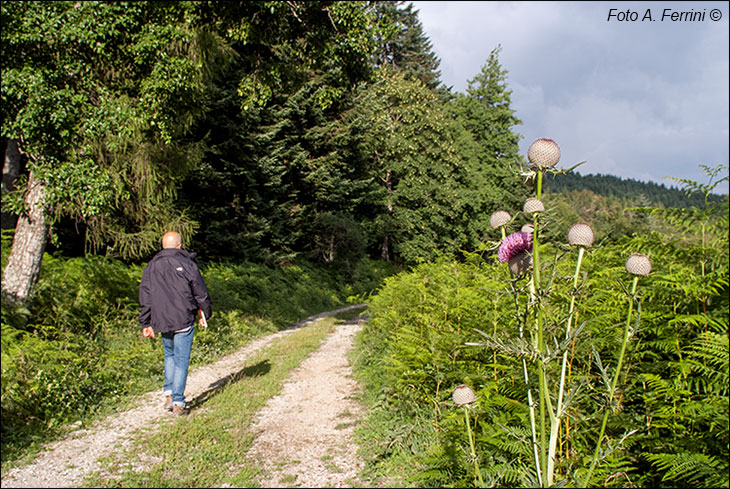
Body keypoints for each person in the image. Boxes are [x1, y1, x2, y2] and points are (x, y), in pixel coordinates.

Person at [139, 231, 212, 416]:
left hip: (161, 320)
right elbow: (200, 292)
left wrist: (145, 322)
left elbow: (145, 295)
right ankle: (178, 401)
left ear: (163, 246)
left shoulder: (151, 266)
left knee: (169, 356)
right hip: (183, 319)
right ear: (179, 245)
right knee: (181, 360)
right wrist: (205, 312)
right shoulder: (187, 264)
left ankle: (169, 394)